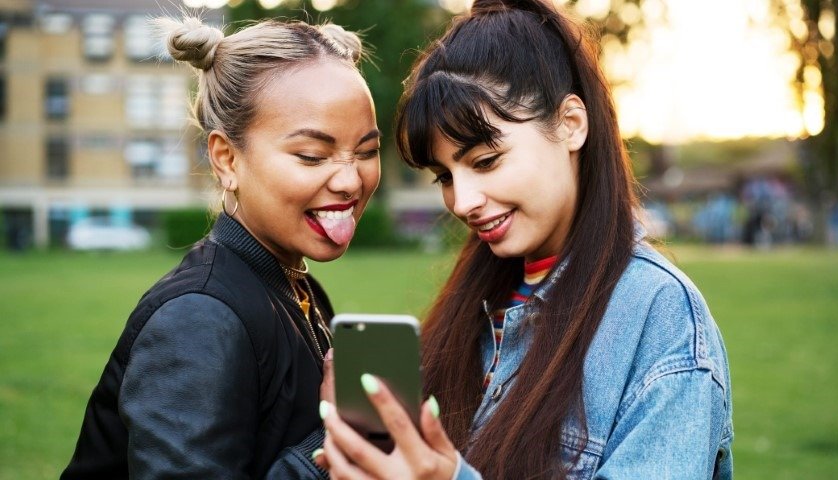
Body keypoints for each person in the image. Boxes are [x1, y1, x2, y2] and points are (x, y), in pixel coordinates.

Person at [317, 0, 732, 478]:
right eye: (444, 176)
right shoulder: (481, 299)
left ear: (570, 125)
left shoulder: (659, 316)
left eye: (486, 161)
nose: (462, 201)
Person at [61, 15, 380, 479]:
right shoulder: (197, 319)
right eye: (312, 155)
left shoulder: (294, 286)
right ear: (227, 159)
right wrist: (338, 442)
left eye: (367, 151)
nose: (351, 178)